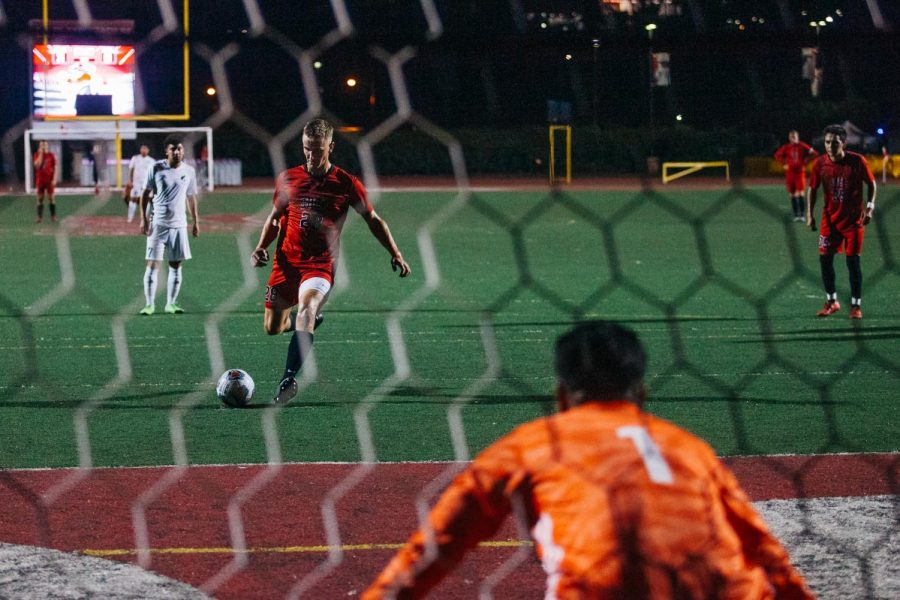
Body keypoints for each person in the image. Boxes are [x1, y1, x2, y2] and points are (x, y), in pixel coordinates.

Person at [365, 321, 813, 600]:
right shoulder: (690, 448)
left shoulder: (534, 444)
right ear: (641, 393)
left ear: (561, 396)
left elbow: (436, 545)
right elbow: (762, 545)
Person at [250, 118, 411, 405]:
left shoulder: (346, 183)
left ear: (331, 147)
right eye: (306, 149)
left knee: (306, 311)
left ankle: (288, 378)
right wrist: (261, 246)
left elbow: (372, 220)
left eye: (318, 150)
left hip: (320, 265)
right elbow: (275, 218)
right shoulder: (288, 178)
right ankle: (302, 326)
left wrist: (395, 252)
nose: (312, 156)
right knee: (272, 327)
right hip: (286, 263)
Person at [806, 123, 876, 320]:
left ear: (844, 143)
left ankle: (855, 305)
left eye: (835, 143)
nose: (830, 146)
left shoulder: (857, 161)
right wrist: (810, 214)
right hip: (829, 221)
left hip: (854, 221)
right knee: (824, 260)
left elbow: (871, 183)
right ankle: (831, 301)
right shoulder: (820, 164)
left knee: (853, 263)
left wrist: (870, 207)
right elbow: (813, 188)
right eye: (827, 142)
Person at [139, 135, 200, 316]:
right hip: (158, 224)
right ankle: (149, 305)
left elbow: (191, 197)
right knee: (152, 264)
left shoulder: (189, 171)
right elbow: (145, 193)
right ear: (166, 151)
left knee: (176, 265)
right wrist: (143, 218)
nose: (177, 152)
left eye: (180, 148)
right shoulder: (156, 168)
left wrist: (196, 221)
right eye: (173, 149)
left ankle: (171, 304)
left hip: (179, 226)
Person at [774, 130, 817, 222]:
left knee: (800, 193)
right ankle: (796, 215)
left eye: (794, 136)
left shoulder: (802, 146)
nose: (792, 138)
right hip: (790, 173)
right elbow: (777, 155)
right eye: (791, 137)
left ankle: (802, 215)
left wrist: (805, 162)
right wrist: (784, 163)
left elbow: (814, 154)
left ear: (798, 137)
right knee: (792, 193)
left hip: (799, 173)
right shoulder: (787, 147)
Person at [126, 143, 155, 223]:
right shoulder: (135, 158)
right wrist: (129, 180)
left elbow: (154, 173)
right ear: (140, 149)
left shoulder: (151, 161)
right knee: (133, 199)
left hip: (147, 184)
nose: (144, 150)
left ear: (148, 150)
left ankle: (144, 218)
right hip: (136, 183)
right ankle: (130, 217)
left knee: (147, 200)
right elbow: (131, 169)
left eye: (145, 148)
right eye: (142, 148)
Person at [33, 140, 57, 223]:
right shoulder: (36, 155)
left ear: (47, 146)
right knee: (40, 199)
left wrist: (54, 178)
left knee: (51, 198)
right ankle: (39, 217)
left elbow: (55, 167)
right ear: (39, 146)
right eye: (41, 145)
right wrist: (41, 154)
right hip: (40, 180)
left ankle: (53, 216)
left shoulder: (51, 155)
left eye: (44, 145)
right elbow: (37, 165)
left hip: (49, 180)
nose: (43, 147)